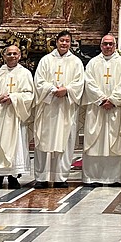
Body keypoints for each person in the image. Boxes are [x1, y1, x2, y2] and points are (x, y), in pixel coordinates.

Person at [32, 30, 85, 187]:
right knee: (43, 141)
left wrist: (67, 90)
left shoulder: (76, 62)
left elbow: (79, 83)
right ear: (56, 42)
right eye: (62, 40)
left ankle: (60, 178)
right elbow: (39, 81)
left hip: (65, 109)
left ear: (70, 43)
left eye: (67, 41)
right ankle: (41, 177)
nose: (64, 43)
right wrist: (53, 90)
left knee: (65, 142)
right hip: (48, 107)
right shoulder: (46, 60)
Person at [0, 45, 35, 189]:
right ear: (4, 56)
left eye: (15, 53)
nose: (12, 56)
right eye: (9, 54)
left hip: (15, 116)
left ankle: (13, 177)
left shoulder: (25, 74)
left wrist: (14, 98)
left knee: (16, 146)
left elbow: (29, 95)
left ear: (20, 56)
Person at [81, 34, 121, 185]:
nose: (108, 47)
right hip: (97, 109)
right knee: (95, 141)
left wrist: (114, 100)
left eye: (111, 44)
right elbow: (88, 82)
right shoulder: (93, 63)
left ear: (115, 46)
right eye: (105, 44)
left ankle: (114, 177)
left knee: (115, 143)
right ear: (100, 45)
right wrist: (101, 99)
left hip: (115, 109)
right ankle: (93, 177)